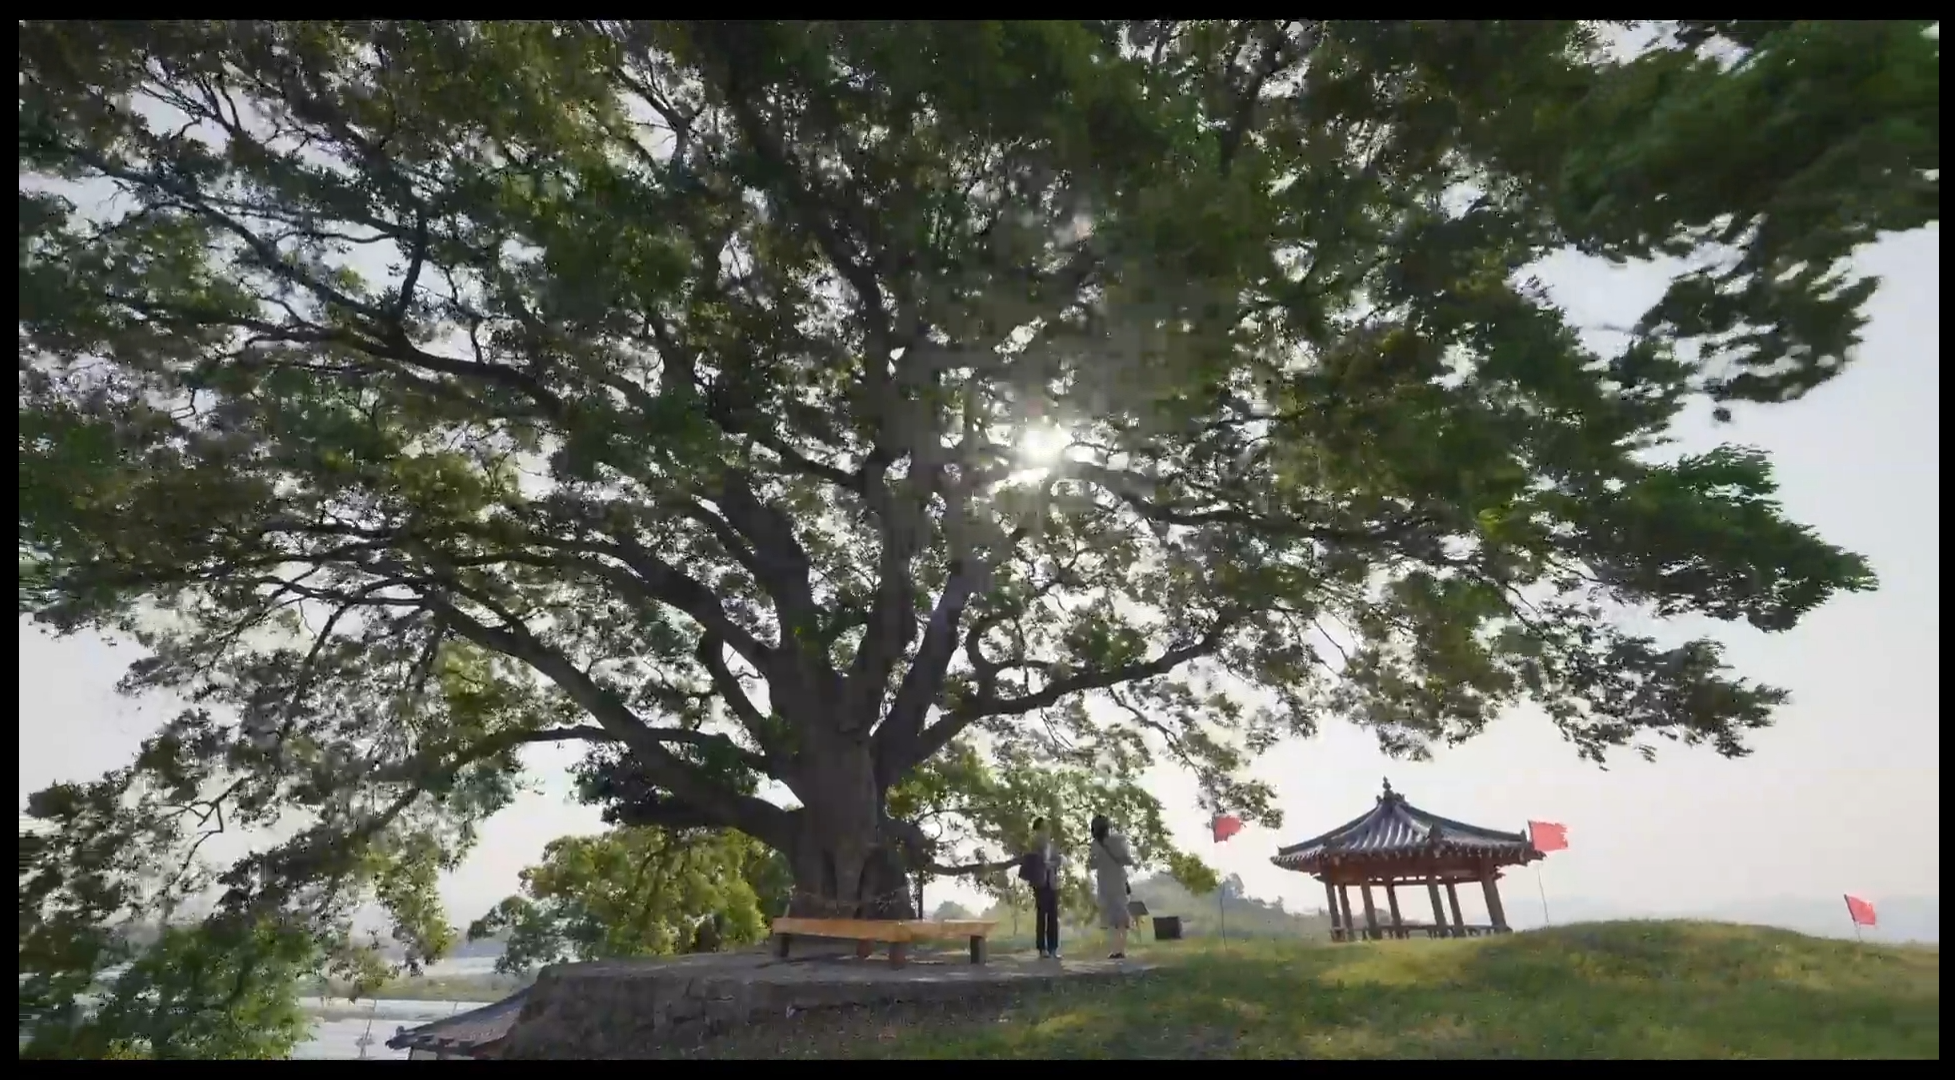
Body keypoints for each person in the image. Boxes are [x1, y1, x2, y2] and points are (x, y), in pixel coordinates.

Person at [1089, 813, 1136, 960]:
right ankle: (1120, 950)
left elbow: (1092, 865)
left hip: (1104, 885)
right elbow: (1128, 860)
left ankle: (1115, 950)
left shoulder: (1095, 845)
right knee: (1121, 919)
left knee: (1111, 919)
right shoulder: (1118, 840)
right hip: (1118, 884)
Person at [1025, 816, 1065, 960]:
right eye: (1043, 828)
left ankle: (1053, 948)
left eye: (1046, 828)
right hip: (1040, 882)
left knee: (1053, 916)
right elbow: (1032, 861)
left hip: (1052, 882)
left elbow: (1058, 860)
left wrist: (1054, 863)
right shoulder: (1033, 844)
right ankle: (1042, 948)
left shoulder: (1052, 844)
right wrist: (1044, 864)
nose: (1045, 831)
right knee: (1042, 915)